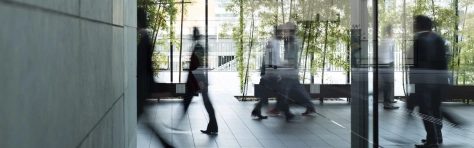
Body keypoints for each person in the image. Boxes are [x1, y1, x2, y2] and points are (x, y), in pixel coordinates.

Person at [136, 8, 174, 148]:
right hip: (143, 87)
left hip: (142, 87)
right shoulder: (145, 37)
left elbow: (146, 67)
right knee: (147, 123)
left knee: (145, 122)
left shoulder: (145, 39)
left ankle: (168, 145)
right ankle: (167, 145)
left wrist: (150, 88)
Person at [410, 15, 448, 148]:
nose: (414, 26)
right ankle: (436, 136)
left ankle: (432, 140)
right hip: (437, 81)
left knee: (425, 110)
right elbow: (443, 62)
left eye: (415, 23)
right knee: (435, 108)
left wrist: (413, 84)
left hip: (424, 82)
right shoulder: (438, 39)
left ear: (421, 25)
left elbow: (415, 64)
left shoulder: (420, 39)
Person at [182, 27, 218, 135]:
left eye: (193, 35)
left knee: (205, 102)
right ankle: (213, 126)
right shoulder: (199, 46)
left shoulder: (198, 47)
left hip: (198, 79)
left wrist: (199, 81)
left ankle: (213, 126)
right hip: (197, 79)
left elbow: (199, 65)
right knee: (203, 101)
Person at [378, 24, 399, 109]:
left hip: (384, 64)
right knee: (388, 84)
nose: (393, 32)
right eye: (391, 30)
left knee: (387, 84)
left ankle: (386, 102)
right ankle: (386, 102)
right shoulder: (387, 40)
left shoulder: (385, 40)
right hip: (384, 65)